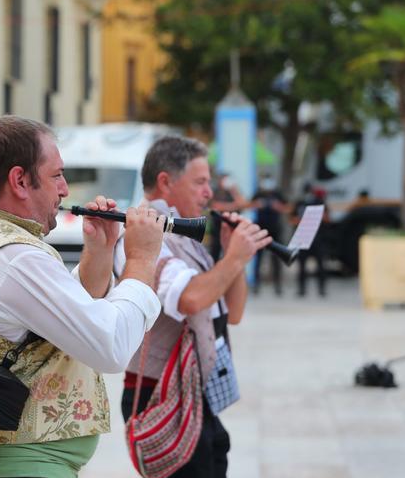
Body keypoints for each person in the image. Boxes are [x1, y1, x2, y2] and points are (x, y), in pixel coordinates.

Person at [0, 115, 166, 478]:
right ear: (20, 180)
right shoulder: (17, 255)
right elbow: (110, 346)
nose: (65, 189)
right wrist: (142, 259)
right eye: (57, 175)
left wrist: (100, 250)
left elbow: (59, 320)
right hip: (15, 468)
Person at [114, 136, 271, 478]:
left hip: (191, 390)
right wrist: (232, 258)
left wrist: (235, 258)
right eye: (200, 182)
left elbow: (236, 312)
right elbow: (190, 298)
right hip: (159, 394)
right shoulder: (144, 232)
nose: (209, 193)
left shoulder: (184, 234)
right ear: (165, 182)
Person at [250, 174, 289, 296]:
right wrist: (257, 204)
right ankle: (256, 284)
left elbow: (288, 208)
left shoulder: (277, 193)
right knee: (258, 258)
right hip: (260, 230)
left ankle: (278, 285)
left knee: (276, 258)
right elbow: (249, 204)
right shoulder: (258, 193)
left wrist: (278, 207)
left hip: (275, 230)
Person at [292, 183, 327, 297]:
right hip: (304, 238)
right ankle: (301, 289)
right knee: (301, 266)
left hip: (318, 238)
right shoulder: (300, 203)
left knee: (321, 266)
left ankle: (322, 289)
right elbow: (292, 219)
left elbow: (327, 217)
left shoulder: (319, 202)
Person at [208, 172, 246, 262]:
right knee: (215, 255)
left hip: (232, 230)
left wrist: (234, 190)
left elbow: (243, 204)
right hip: (217, 229)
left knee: (231, 256)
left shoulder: (234, 192)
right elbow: (216, 206)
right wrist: (234, 206)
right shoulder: (215, 191)